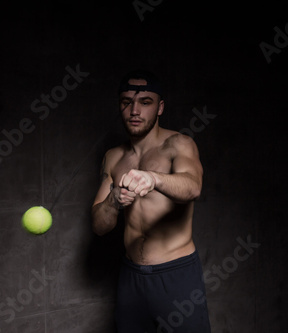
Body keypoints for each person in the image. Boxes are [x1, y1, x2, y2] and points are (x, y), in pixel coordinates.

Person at [91, 70, 212, 333]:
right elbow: (99, 226)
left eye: (145, 102)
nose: (134, 110)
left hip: (176, 276)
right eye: (126, 102)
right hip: (130, 278)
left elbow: (193, 187)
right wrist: (113, 201)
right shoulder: (113, 157)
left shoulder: (178, 144)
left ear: (160, 107)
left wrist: (154, 179)